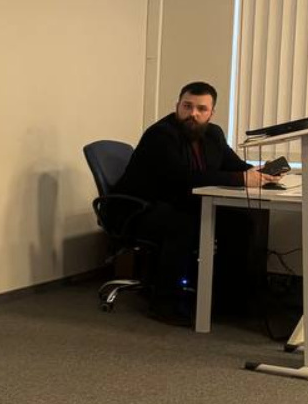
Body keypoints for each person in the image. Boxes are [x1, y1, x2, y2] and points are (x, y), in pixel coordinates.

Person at [114, 82, 277, 318]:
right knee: (185, 225)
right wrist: (240, 178)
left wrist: (261, 173)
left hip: (182, 203)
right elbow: (181, 177)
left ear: (211, 113)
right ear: (177, 106)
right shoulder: (161, 135)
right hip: (143, 207)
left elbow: (233, 165)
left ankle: (228, 300)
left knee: (240, 224)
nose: (193, 113)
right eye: (187, 106)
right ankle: (164, 304)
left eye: (201, 109)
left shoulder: (213, 134)